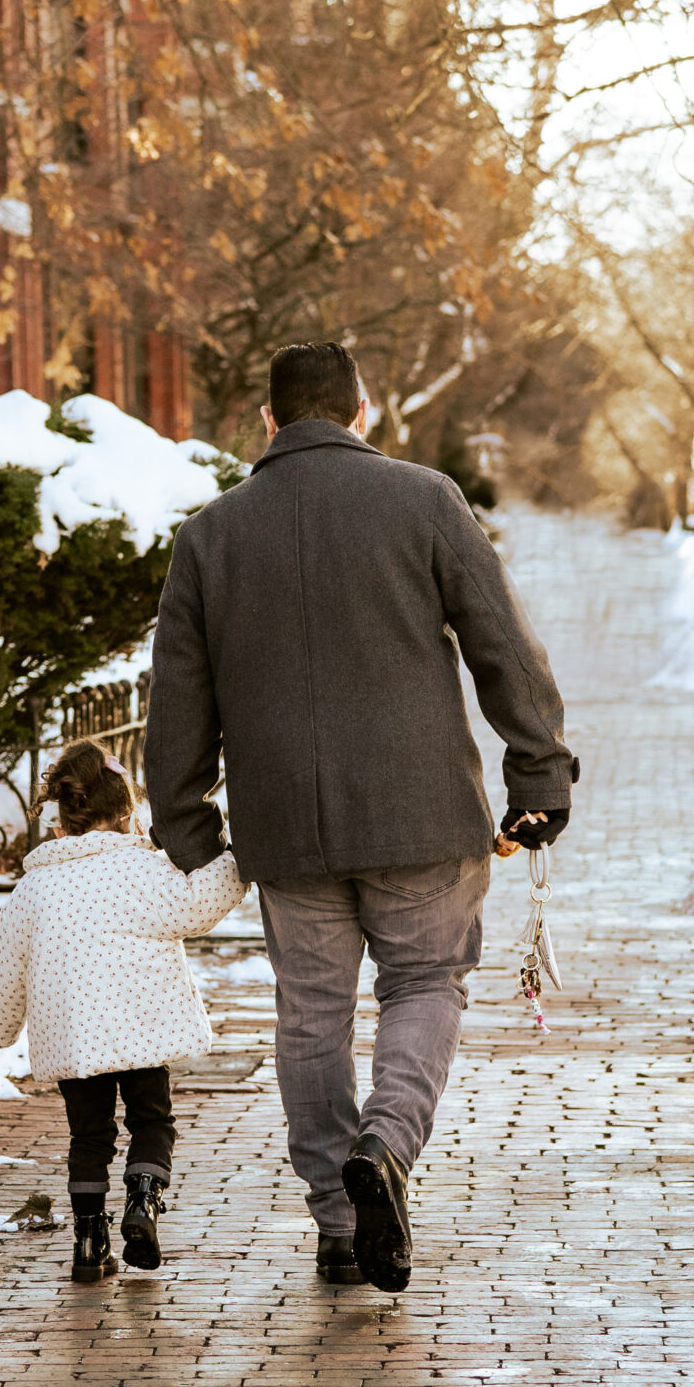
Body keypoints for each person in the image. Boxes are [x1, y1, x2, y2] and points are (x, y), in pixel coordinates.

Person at [144, 340, 576, 1295]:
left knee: (311, 1018)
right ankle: (384, 1146)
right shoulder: (426, 500)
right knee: (426, 982)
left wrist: (187, 823)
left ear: (268, 421)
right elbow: (502, 643)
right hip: (423, 813)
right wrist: (538, 773)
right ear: (364, 410)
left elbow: (177, 693)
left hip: (286, 829)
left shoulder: (212, 534)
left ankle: (339, 1225)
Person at [0, 739, 243, 1281]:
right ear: (128, 813)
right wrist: (240, 859)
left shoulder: (35, 888)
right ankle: (143, 1202)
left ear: (62, 817)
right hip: (144, 1030)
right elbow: (202, 901)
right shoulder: (145, 873)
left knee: (89, 1136)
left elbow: (9, 960)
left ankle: (88, 1239)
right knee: (152, 1120)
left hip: (74, 1038)